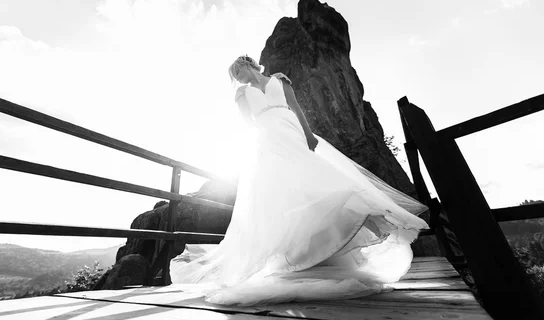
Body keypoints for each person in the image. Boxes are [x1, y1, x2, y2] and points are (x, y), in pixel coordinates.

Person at [169, 55, 429, 306]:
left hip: (292, 131)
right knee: (289, 192)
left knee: (321, 177)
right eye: (235, 75)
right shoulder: (242, 94)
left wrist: (308, 135)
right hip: (269, 141)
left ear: (247, 64)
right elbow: (248, 125)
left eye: (237, 71)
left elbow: (296, 109)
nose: (237, 76)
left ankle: (368, 220)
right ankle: (300, 257)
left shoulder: (280, 80)